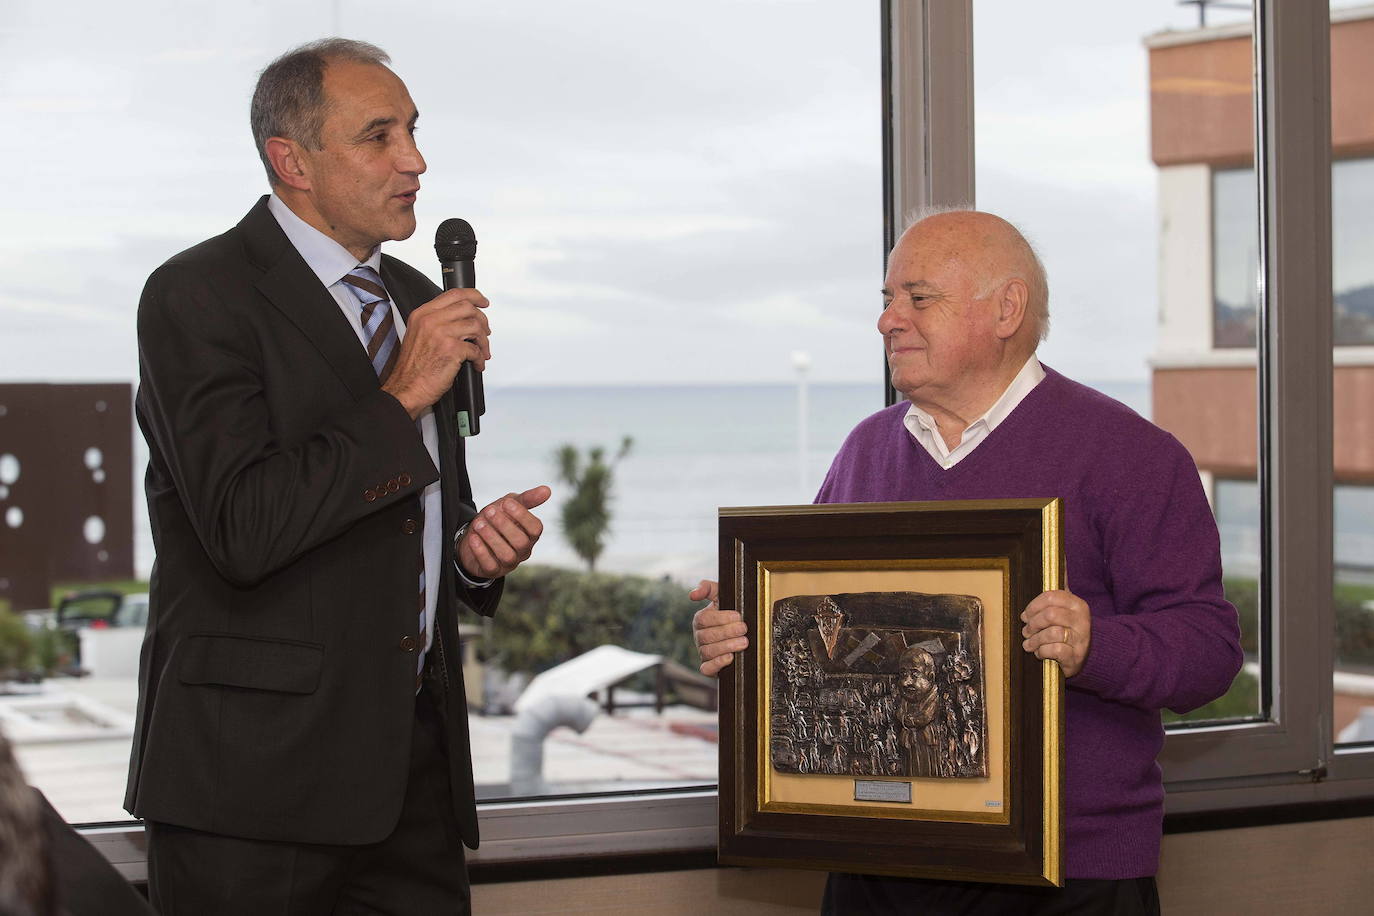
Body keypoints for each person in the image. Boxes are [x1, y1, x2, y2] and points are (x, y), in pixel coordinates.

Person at [691, 209, 1243, 914]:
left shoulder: (1131, 455)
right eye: (886, 300)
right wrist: (747, 634)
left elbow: (1209, 653)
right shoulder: (865, 451)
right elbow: (827, 640)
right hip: (874, 857)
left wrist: (1095, 643)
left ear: (1006, 309)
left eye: (918, 298)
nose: (888, 320)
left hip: (1070, 872)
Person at [125, 38, 549, 914]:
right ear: (293, 161)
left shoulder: (410, 291)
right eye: (379, 135)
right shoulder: (196, 296)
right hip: (249, 794)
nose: (415, 160)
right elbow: (244, 528)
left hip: (413, 782)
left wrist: (471, 551)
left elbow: (411, 508)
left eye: (415, 131)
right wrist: (401, 394)